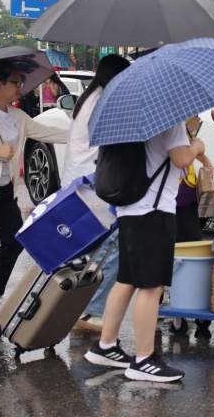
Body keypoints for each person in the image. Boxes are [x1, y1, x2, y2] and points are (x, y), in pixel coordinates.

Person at [84, 122, 206, 383]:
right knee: (152, 286)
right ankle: (144, 359)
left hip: (129, 209)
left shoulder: (129, 122)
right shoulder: (169, 121)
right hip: (154, 211)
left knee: (126, 280)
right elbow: (181, 158)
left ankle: (105, 346)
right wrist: (196, 145)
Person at [0, 61, 67, 325]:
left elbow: (48, 132)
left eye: (20, 82)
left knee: (16, 239)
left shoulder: (18, 117)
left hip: (5, 190)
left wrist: (85, 132)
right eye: (15, 82)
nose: (20, 87)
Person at [59, 54, 131, 333]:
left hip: (79, 183)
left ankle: (85, 308)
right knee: (112, 245)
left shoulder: (89, 98)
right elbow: (113, 143)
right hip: (92, 185)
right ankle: (92, 311)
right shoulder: (103, 101)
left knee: (97, 247)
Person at [174, 116, 211, 242]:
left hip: (187, 185)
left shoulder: (183, 112)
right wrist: (186, 129)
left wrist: (205, 159)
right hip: (173, 187)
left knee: (191, 238)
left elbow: (185, 148)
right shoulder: (164, 115)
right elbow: (175, 150)